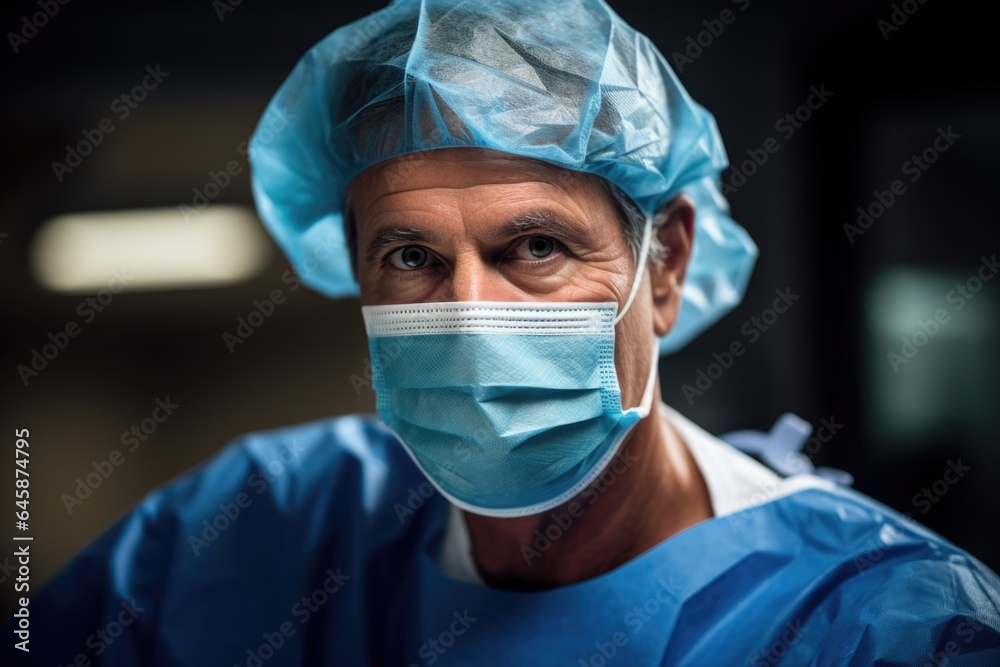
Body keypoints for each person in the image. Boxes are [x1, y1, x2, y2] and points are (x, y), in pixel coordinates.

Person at [13, 0, 1000, 665]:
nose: (473, 313)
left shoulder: (876, 625)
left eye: (533, 245)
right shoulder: (262, 529)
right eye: (410, 257)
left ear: (662, 267)